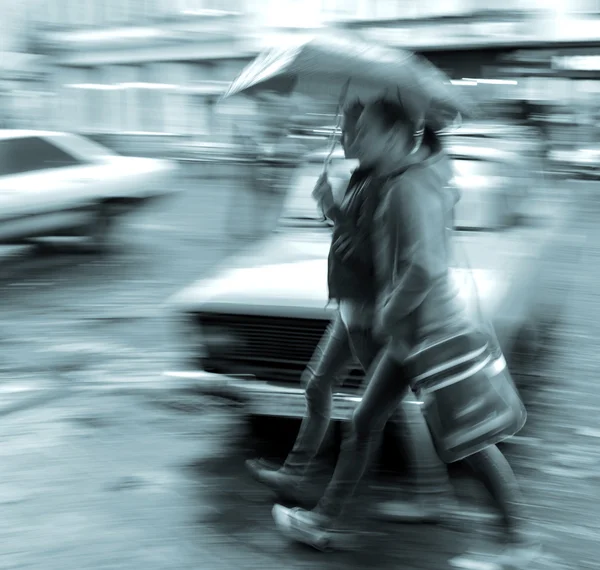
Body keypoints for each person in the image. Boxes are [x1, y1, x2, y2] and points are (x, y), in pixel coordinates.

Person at [272, 99, 539, 566]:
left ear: (395, 136)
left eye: (364, 133)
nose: (354, 141)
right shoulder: (404, 180)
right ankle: (322, 520)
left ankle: (518, 543)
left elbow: (424, 267)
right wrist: (336, 210)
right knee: (364, 421)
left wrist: (390, 310)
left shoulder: (407, 187)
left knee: (472, 440)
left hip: (433, 334)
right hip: (412, 336)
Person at [246, 100, 455, 522]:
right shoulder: (362, 175)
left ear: (380, 136)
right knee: (318, 386)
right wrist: (332, 208)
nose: (345, 137)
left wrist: (332, 212)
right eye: (344, 128)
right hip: (349, 307)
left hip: (369, 310)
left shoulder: (387, 181)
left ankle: (417, 497)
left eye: (353, 130)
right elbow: (353, 236)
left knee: (378, 413)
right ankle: (298, 475)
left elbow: (373, 254)